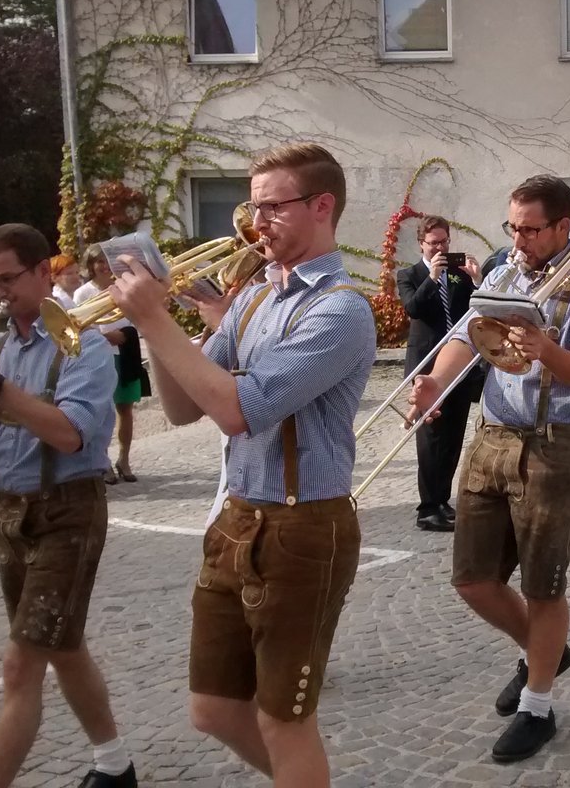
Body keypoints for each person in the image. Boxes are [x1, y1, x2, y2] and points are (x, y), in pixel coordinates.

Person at [111, 143, 376, 786]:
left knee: (285, 721)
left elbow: (240, 410)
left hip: (303, 526)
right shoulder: (256, 296)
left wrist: (156, 318)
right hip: (238, 516)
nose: (256, 221)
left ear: (321, 207)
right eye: (251, 205)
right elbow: (179, 408)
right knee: (213, 709)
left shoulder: (340, 309)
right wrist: (154, 329)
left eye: (271, 206)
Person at [408, 175, 570, 763]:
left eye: (530, 229)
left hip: (555, 443)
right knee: (473, 579)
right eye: (513, 227)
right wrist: (432, 385)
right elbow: (463, 338)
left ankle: (538, 704)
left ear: (561, 228)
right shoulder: (501, 274)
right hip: (492, 437)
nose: (519, 239)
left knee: (544, 584)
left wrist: (544, 346)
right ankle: (544, 649)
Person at [0, 225, 134, 787]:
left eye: (8, 279)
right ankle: (115, 766)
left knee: (22, 662)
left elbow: (71, 435)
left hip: (67, 511)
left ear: (43, 271)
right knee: (62, 646)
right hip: (9, 513)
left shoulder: (82, 343)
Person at [396, 215, 482, 532]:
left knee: (452, 438)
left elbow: (478, 309)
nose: (440, 248)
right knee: (431, 439)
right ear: (422, 243)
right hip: (426, 366)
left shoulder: (458, 275)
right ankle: (427, 507)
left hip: (457, 365)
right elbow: (413, 309)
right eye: (434, 243)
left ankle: (443, 501)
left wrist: (477, 280)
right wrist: (432, 279)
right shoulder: (410, 275)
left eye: (444, 242)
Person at [74, 251, 143, 484]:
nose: (104, 266)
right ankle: (102, 461)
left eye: (106, 261)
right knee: (103, 412)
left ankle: (124, 459)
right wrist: (105, 337)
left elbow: (135, 316)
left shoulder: (122, 285)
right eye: (98, 262)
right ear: (91, 265)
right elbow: (77, 325)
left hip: (126, 351)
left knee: (126, 410)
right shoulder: (84, 292)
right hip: (100, 354)